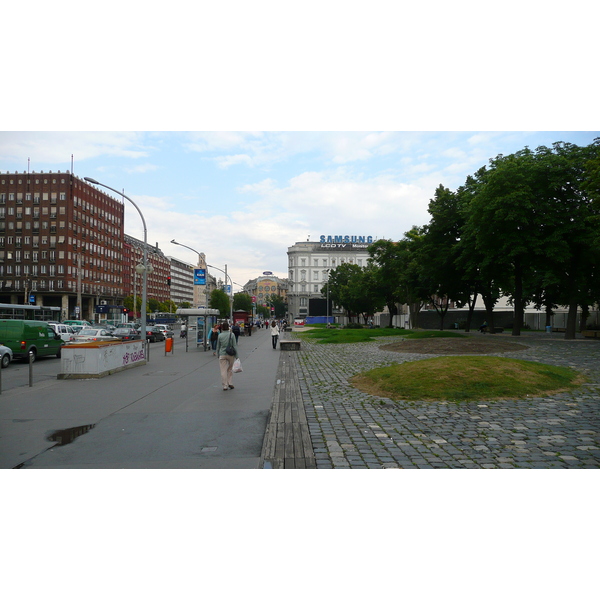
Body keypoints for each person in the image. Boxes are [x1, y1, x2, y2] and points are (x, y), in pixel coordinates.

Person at [215, 322, 238, 391]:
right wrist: (237, 356)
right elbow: (234, 346)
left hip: (222, 354)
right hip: (230, 354)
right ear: (228, 327)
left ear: (222, 327)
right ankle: (230, 382)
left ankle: (225, 385)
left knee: (223, 370)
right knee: (230, 369)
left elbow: (218, 346)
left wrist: (218, 354)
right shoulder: (232, 335)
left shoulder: (220, 335)